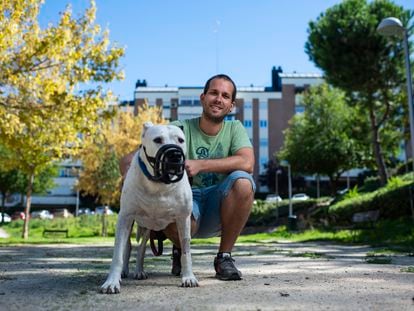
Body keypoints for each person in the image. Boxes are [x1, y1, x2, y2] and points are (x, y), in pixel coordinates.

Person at [122, 74, 255, 281]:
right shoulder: (178, 129)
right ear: (202, 98)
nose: (218, 99)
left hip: (217, 206)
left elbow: (247, 163)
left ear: (231, 105)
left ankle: (224, 258)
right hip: (184, 204)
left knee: (243, 182)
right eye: (213, 93)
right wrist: (137, 191)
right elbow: (128, 160)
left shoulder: (234, 129)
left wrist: (200, 165)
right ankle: (179, 251)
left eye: (225, 96)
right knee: (176, 211)